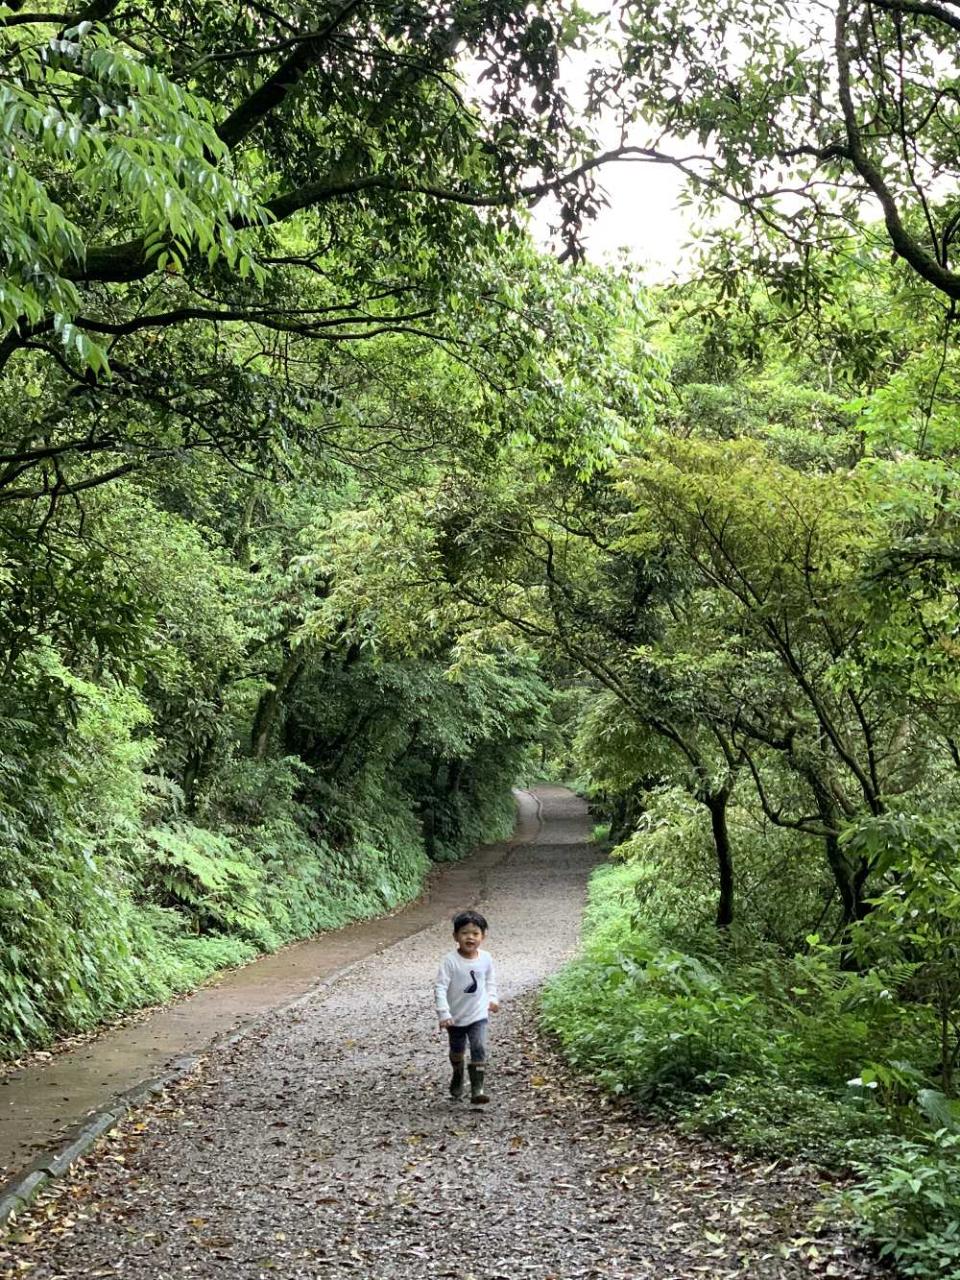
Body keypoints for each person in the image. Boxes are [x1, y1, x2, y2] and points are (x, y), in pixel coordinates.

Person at [434, 910, 499, 1104]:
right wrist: (444, 1013)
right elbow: (440, 987)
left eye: (475, 933)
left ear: (483, 936)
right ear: (455, 936)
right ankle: (457, 1073)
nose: (470, 937)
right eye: (464, 933)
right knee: (457, 1050)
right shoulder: (450, 961)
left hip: (478, 1013)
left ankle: (477, 1088)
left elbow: (490, 981)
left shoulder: (486, 959)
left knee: (478, 1046)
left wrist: (492, 999)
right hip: (455, 1016)